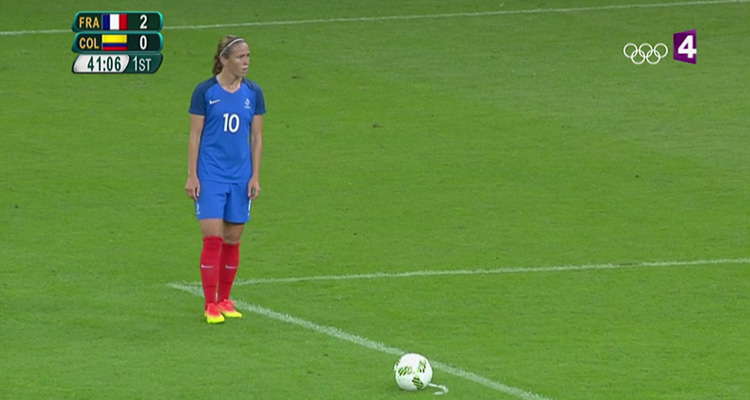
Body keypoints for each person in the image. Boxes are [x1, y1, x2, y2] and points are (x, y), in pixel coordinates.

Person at [185, 35, 266, 324]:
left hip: (240, 177)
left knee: (233, 239)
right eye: (241, 57)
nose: (246, 62)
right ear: (223, 60)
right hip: (211, 176)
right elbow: (195, 135)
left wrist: (255, 175)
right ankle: (210, 304)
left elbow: (256, 137)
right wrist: (192, 175)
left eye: (248, 57)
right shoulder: (205, 92)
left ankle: (225, 299)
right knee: (213, 238)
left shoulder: (253, 92)